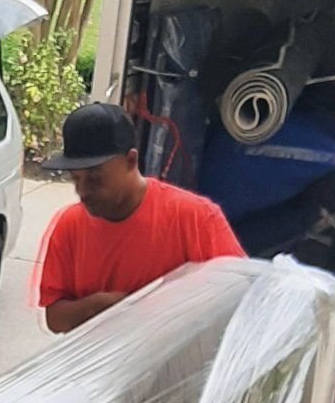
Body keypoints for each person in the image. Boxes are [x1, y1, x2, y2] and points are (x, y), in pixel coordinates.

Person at [37, 102, 244, 333]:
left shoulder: (196, 218)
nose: (82, 192)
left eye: (96, 179)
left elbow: (239, 296)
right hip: (101, 366)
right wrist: (98, 307)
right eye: (76, 179)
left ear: (131, 161)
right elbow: (55, 319)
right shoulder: (69, 226)